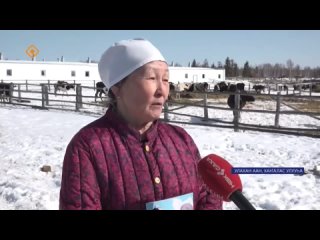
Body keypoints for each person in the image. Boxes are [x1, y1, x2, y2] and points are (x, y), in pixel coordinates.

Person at [59, 38, 223, 210]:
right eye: (152, 78)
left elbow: (206, 195)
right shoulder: (88, 147)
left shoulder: (181, 139)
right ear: (117, 88)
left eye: (166, 80)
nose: (162, 91)